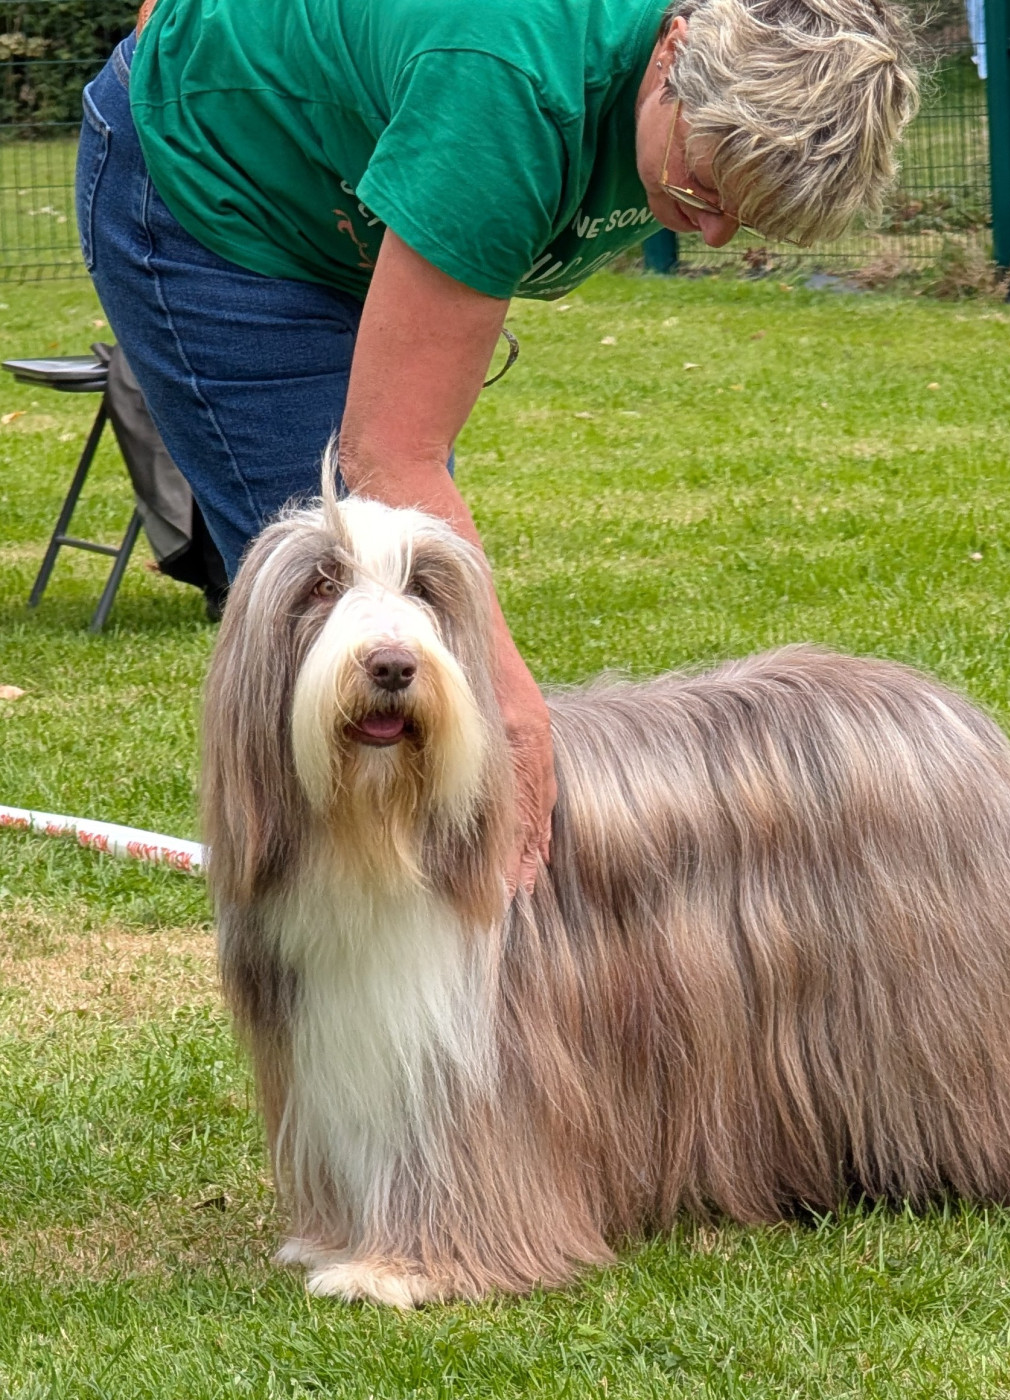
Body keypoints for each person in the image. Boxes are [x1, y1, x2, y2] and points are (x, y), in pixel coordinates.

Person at [76, 0, 918, 894]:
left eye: (744, 221)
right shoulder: (507, 84)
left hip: (372, 191)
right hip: (220, 191)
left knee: (424, 642)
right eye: (706, 190)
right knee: (334, 623)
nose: (708, 233)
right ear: (672, 53)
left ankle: (455, 985)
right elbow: (389, 454)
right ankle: (350, 998)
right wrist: (512, 712)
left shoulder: (686, 93)